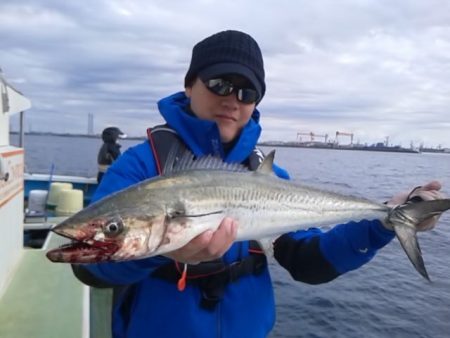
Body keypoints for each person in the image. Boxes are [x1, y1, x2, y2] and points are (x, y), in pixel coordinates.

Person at [72, 30, 445, 338]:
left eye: (247, 92)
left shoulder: (266, 177)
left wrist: (383, 219)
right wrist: (163, 250)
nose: (232, 100)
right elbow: (89, 265)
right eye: (219, 83)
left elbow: (309, 262)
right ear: (189, 85)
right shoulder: (140, 167)